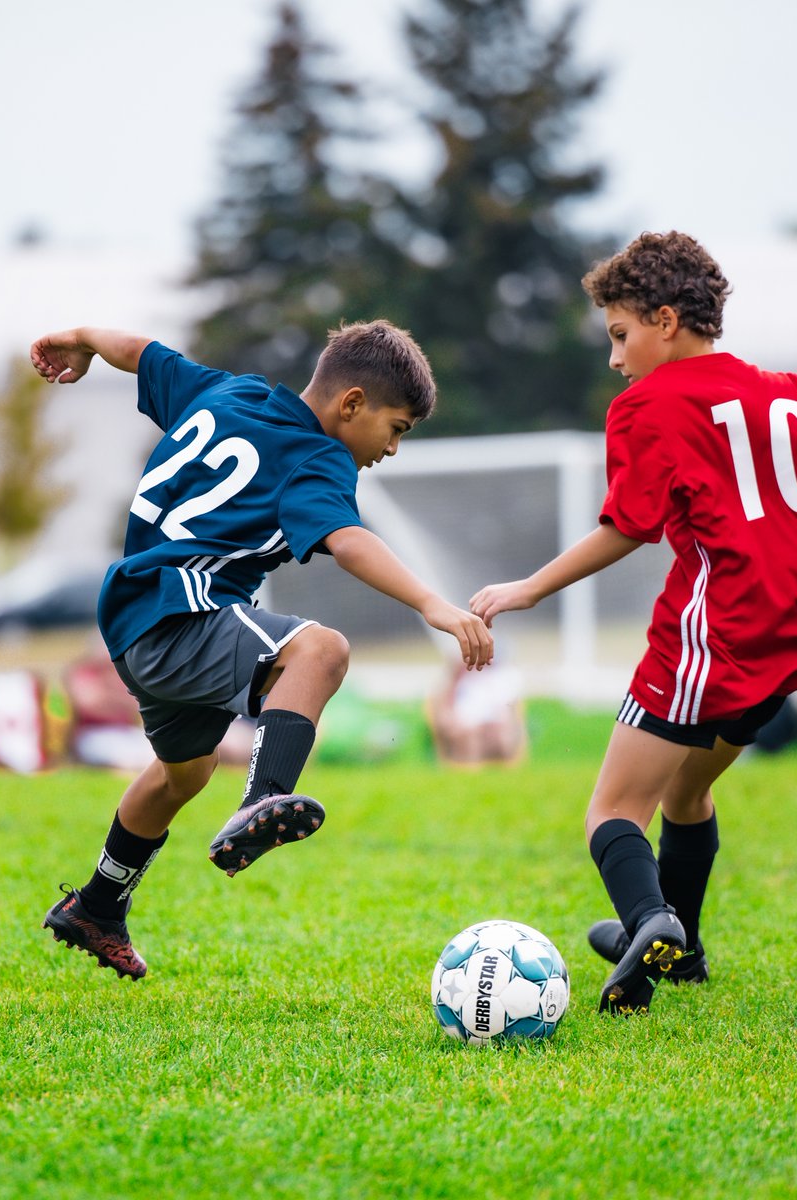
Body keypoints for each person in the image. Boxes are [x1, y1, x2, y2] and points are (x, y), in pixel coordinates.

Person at [470, 230, 797, 1016]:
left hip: (724, 626)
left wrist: (530, 587)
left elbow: (627, 526)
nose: (615, 359)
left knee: (612, 809)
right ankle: (683, 956)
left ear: (665, 320)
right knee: (687, 792)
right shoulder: (788, 389)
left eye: (620, 335)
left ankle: (650, 917)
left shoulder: (647, 405)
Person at [31, 320, 493, 980]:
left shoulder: (230, 392)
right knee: (322, 651)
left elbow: (141, 354)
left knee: (182, 775)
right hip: (180, 610)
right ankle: (263, 797)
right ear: (352, 404)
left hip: (136, 618)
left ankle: (96, 906)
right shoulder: (318, 455)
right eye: (397, 428)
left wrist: (81, 338)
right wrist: (433, 604)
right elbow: (349, 539)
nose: (392, 448)